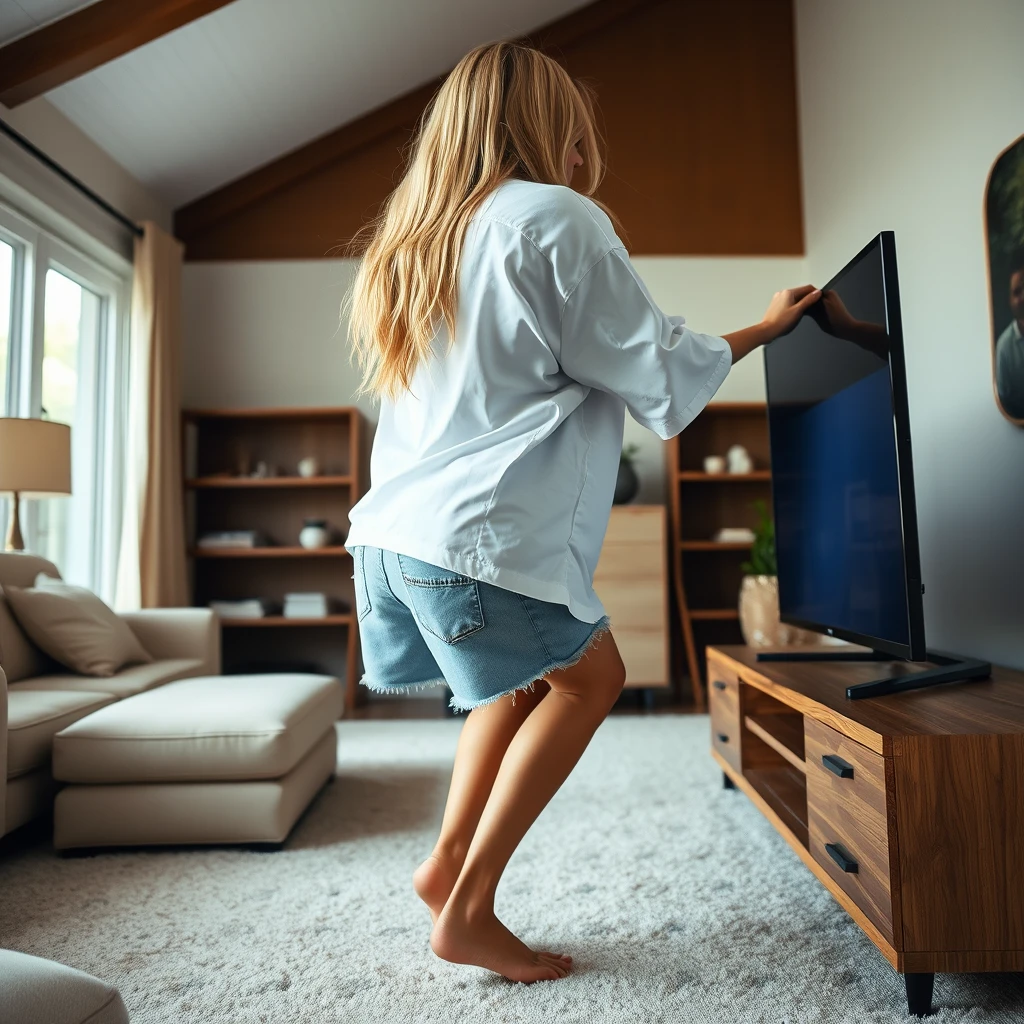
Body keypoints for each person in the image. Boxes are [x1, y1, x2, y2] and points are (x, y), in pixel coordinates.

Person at [342, 41, 820, 984]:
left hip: (396, 535)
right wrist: (766, 325)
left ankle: (445, 866)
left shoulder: (417, 238)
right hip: (475, 535)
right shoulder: (553, 216)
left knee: (513, 686)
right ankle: (471, 909)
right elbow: (654, 363)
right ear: (549, 126)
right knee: (592, 679)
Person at [995, 254, 1024, 420]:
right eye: (1016, 292)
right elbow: (1004, 405)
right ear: (1009, 300)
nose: (1023, 297)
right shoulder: (1004, 348)